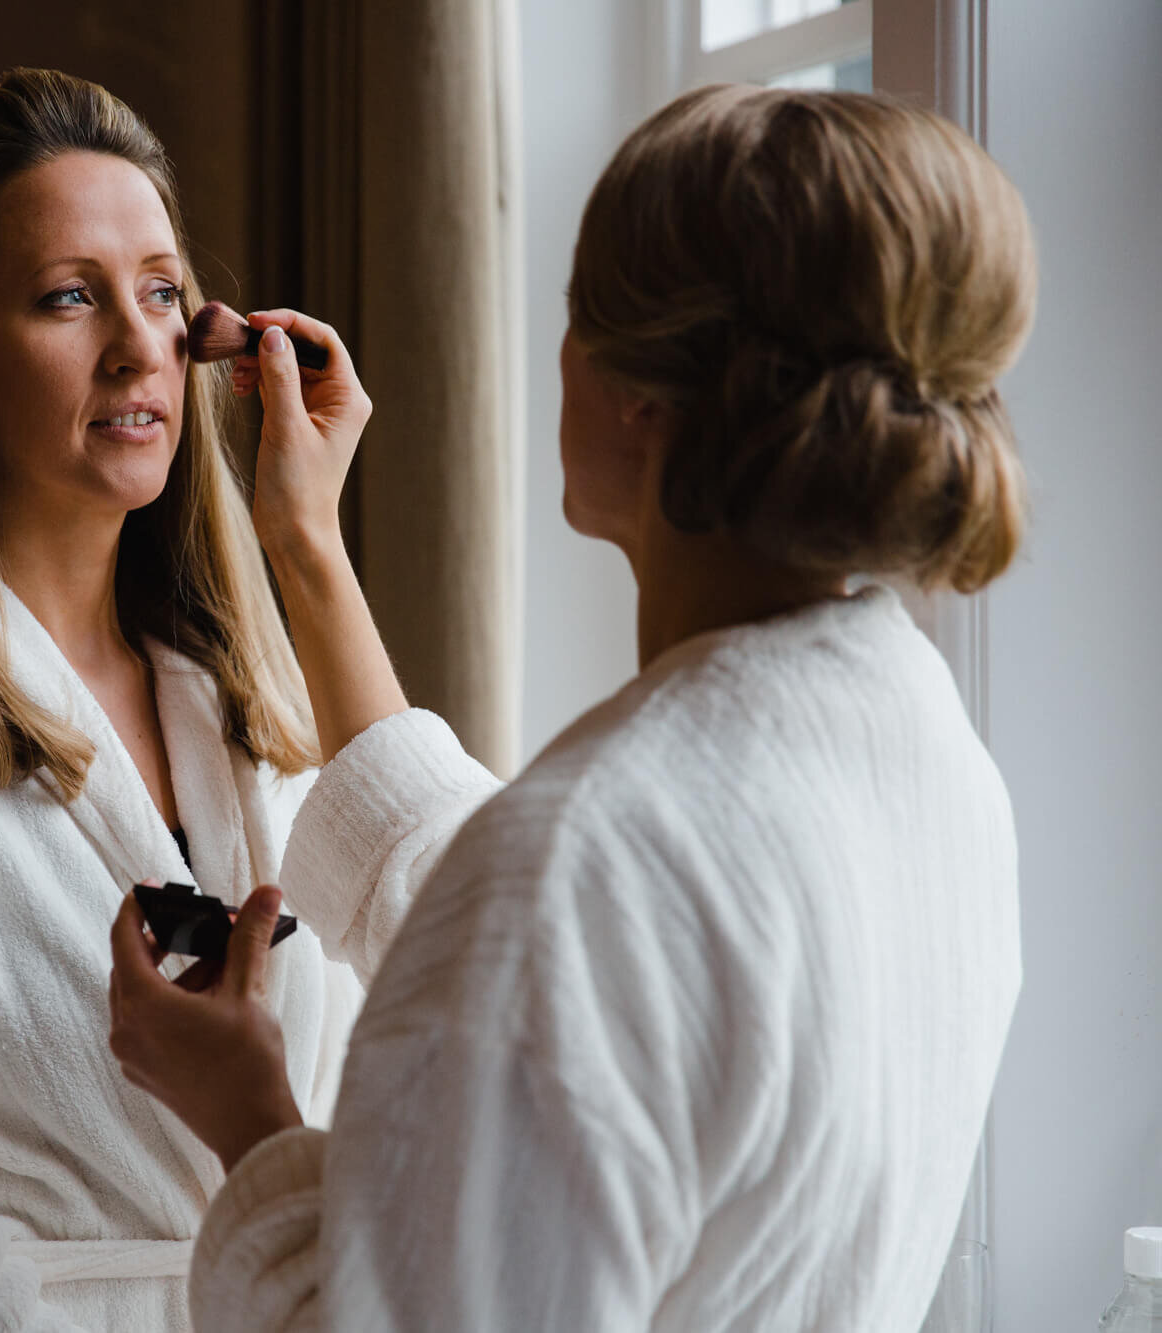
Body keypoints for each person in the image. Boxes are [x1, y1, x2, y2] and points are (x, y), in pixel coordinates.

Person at [109, 83, 1037, 1331]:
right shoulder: (932, 767)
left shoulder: (579, 869)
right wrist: (306, 544)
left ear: (632, 398)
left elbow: (549, 922)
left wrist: (249, 1118)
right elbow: (528, 913)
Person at [0, 69, 496, 1331]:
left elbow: (493, 973)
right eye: (68, 296)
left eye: (164, 289)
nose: (139, 344)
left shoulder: (239, 693)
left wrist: (308, 543)